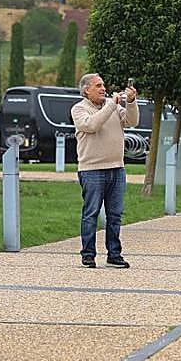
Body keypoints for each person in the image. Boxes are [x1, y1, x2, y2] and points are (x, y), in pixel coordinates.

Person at [71, 73, 139, 268]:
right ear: (86, 90)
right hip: (92, 170)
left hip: (117, 169)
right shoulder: (79, 109)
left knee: (115, 215)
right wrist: (111, 104)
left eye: (103, 85)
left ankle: (114, 254)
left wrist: (131, 102)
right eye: (98, 86)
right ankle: (88, 254)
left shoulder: (114, 107)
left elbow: (132, 121)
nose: (103, 88)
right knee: (91, 213)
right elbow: (91, 125)